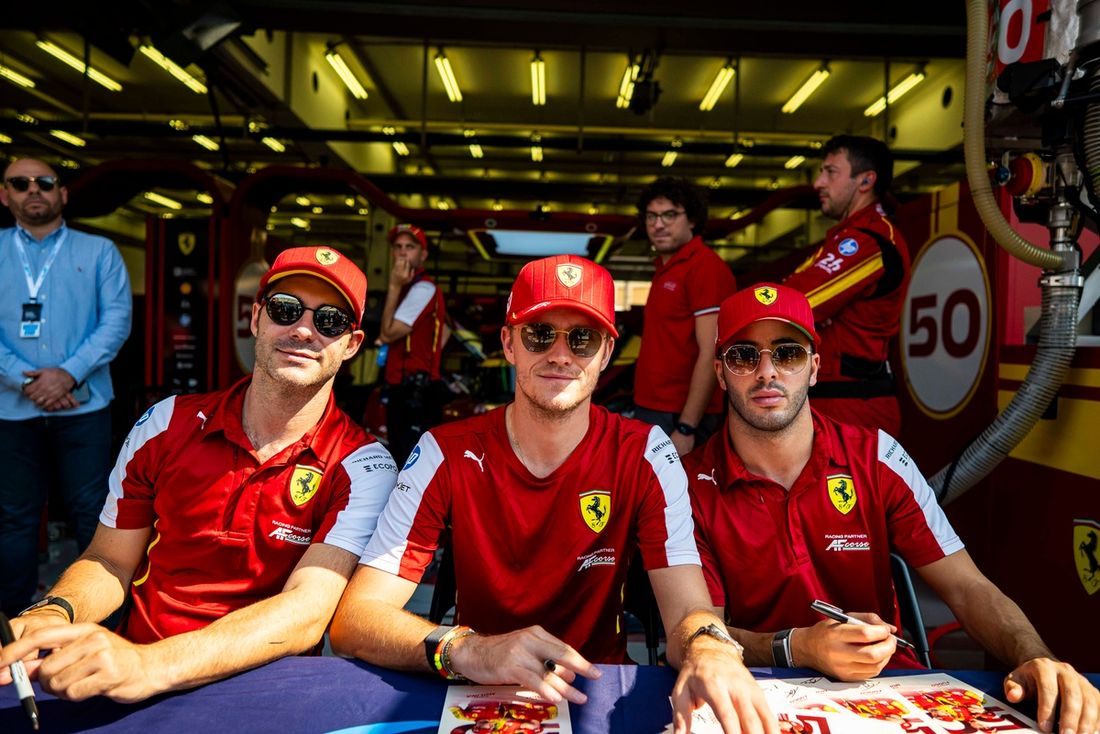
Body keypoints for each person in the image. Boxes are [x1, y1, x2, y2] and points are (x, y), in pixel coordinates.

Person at [331, 255, 776, 734]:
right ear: (509, 343)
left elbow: (688, 610)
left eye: (582, 339)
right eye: (540, 334)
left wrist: (709, 647)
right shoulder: (444, 451)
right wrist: (469, 649)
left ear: (606, 353)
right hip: (477, 689)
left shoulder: (646, 451)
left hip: (600, 686)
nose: (561, 355)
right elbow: (356, 619)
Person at [683, 283, 1100, 734]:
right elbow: (701, 634)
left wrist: (1035, 655)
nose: (767, 372)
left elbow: (966, 586)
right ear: (720, 373)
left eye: (788, 354)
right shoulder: (687, 484)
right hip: (752, 693)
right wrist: (798, 647)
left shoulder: (877, 457)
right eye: (744, 356)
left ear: (814, 368)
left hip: (887, 690)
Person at [0, 246, 397, 703]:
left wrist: (152, 665)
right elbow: (110, 560)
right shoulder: (165, 423)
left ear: (352, 344)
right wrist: (56, 611)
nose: (303, 329)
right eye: (286, 309)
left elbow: (306, 611)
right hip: (131, 680)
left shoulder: (362, 465)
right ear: (256, 318)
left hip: (265, 695)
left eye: (329, 320)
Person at [0, 158, 132, 618]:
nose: (33, 190)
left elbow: (116, 321)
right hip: (11, 409)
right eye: (20, 183)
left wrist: (67, 374)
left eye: (44, 182)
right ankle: (14, 631)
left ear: (63, 193)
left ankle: (101, 624)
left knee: (93, 513)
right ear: (5, 195)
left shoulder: (100, 252)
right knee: (14, 519)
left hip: (83, 406)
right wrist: (26, 380)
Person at [784, 135, 910, 435]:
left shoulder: (869, 240)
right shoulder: (846, 236)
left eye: (830, 172)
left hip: (852, 408)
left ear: (865, 181)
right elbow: (792, 296)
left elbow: (792, 304)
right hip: (832, 402)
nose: (818, 183)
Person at [633, 177, 736, 459]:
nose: (658, 224)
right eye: (651, 216)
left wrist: (687, 426)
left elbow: (712, 351)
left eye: (669, 215)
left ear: (691, 219)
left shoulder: (705, 268)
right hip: (653, 407)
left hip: (679, 417)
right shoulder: (666, 267)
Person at [377, 223, 449, 464]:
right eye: (398, 247)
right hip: (405, 386)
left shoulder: (422, 288)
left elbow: (387, 334)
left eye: (410, 247)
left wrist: (394, 285)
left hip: (415, 391)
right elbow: (446, 330)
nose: (402, 252)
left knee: (408, 464)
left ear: (423, 254)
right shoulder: (411, 289)